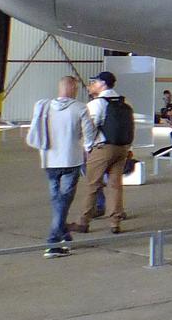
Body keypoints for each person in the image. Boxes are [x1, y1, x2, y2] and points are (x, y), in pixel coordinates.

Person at [26, 75, 87, 258]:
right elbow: (89, 134)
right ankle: (53, 242)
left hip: (49, 160)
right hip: (70, 160)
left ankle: (65, 236)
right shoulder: (79, 108)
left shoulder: (44, 106)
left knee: (57, 199)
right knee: (64, 200)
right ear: (73, 89)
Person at [74, 70, 133, 233]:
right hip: (121, 148)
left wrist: (88, 147)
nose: (91, 85)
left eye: (94, 82)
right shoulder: (122, 102)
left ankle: (83, 221)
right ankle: (115, 222)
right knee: (115, 186)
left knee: (93, 185)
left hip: (102, 148)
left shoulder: (97, 104)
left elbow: (90, 128)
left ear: (103, 84)